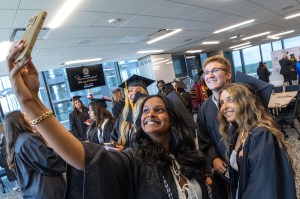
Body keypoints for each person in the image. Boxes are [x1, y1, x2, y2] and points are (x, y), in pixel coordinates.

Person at [6, 41, 212, 198]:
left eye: (159, 110)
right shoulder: (135, 161)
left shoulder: (188, 157)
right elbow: (83, 156)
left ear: (173, 118)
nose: (150, 113)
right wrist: (30, 101)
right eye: (145, 111)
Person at [218, 83, 296, 199]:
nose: (224, 107)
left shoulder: (261, 135)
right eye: (221, 103)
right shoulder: (237, 134)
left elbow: (262, 185)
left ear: (244, 101)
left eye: (230, 100)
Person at [3, 110, 66, 198]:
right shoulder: (29, 140)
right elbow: (50, 162)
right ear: (20, 121)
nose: (30, 118)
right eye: (26, 116)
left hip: (33, 192)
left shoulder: (16, 143)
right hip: (47, 190)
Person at [197, 55, 231, 199]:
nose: (210, 75)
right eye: (206, 72)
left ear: (228, 74)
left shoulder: (243, 99)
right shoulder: (204, 109)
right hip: (222, 168)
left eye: (215, 70)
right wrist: (213, 159)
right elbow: (204, 140)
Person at [110, 74, 155, 148]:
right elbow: (113, 137)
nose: (134, 93)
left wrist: (125, 150)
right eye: (130, 90)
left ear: (145, 94)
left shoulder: (150, 115)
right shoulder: (122, 116)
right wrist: (114, 145)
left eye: (139, 90)